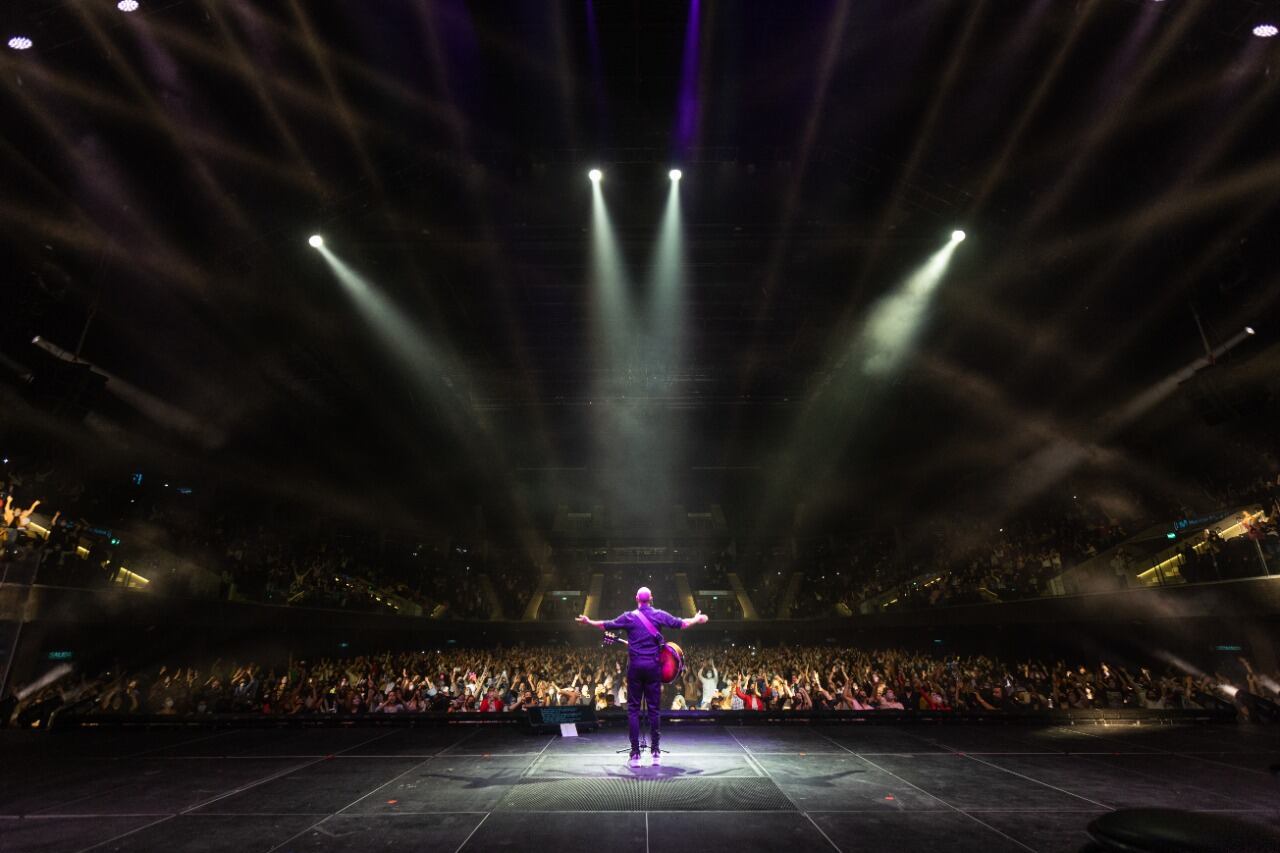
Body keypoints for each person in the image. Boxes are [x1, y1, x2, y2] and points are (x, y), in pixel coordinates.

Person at [577, 586, 708, 766]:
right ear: (651, 598)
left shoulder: (629, 616)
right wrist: (696, 618)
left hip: (635, 668)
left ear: (636, 598)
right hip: (653, 667)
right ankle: (655, 751)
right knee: (654, 710)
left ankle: (636, 753)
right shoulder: (659, 614)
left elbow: (605, 624)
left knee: (633, 711)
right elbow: (682, 623)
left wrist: (588, 621)